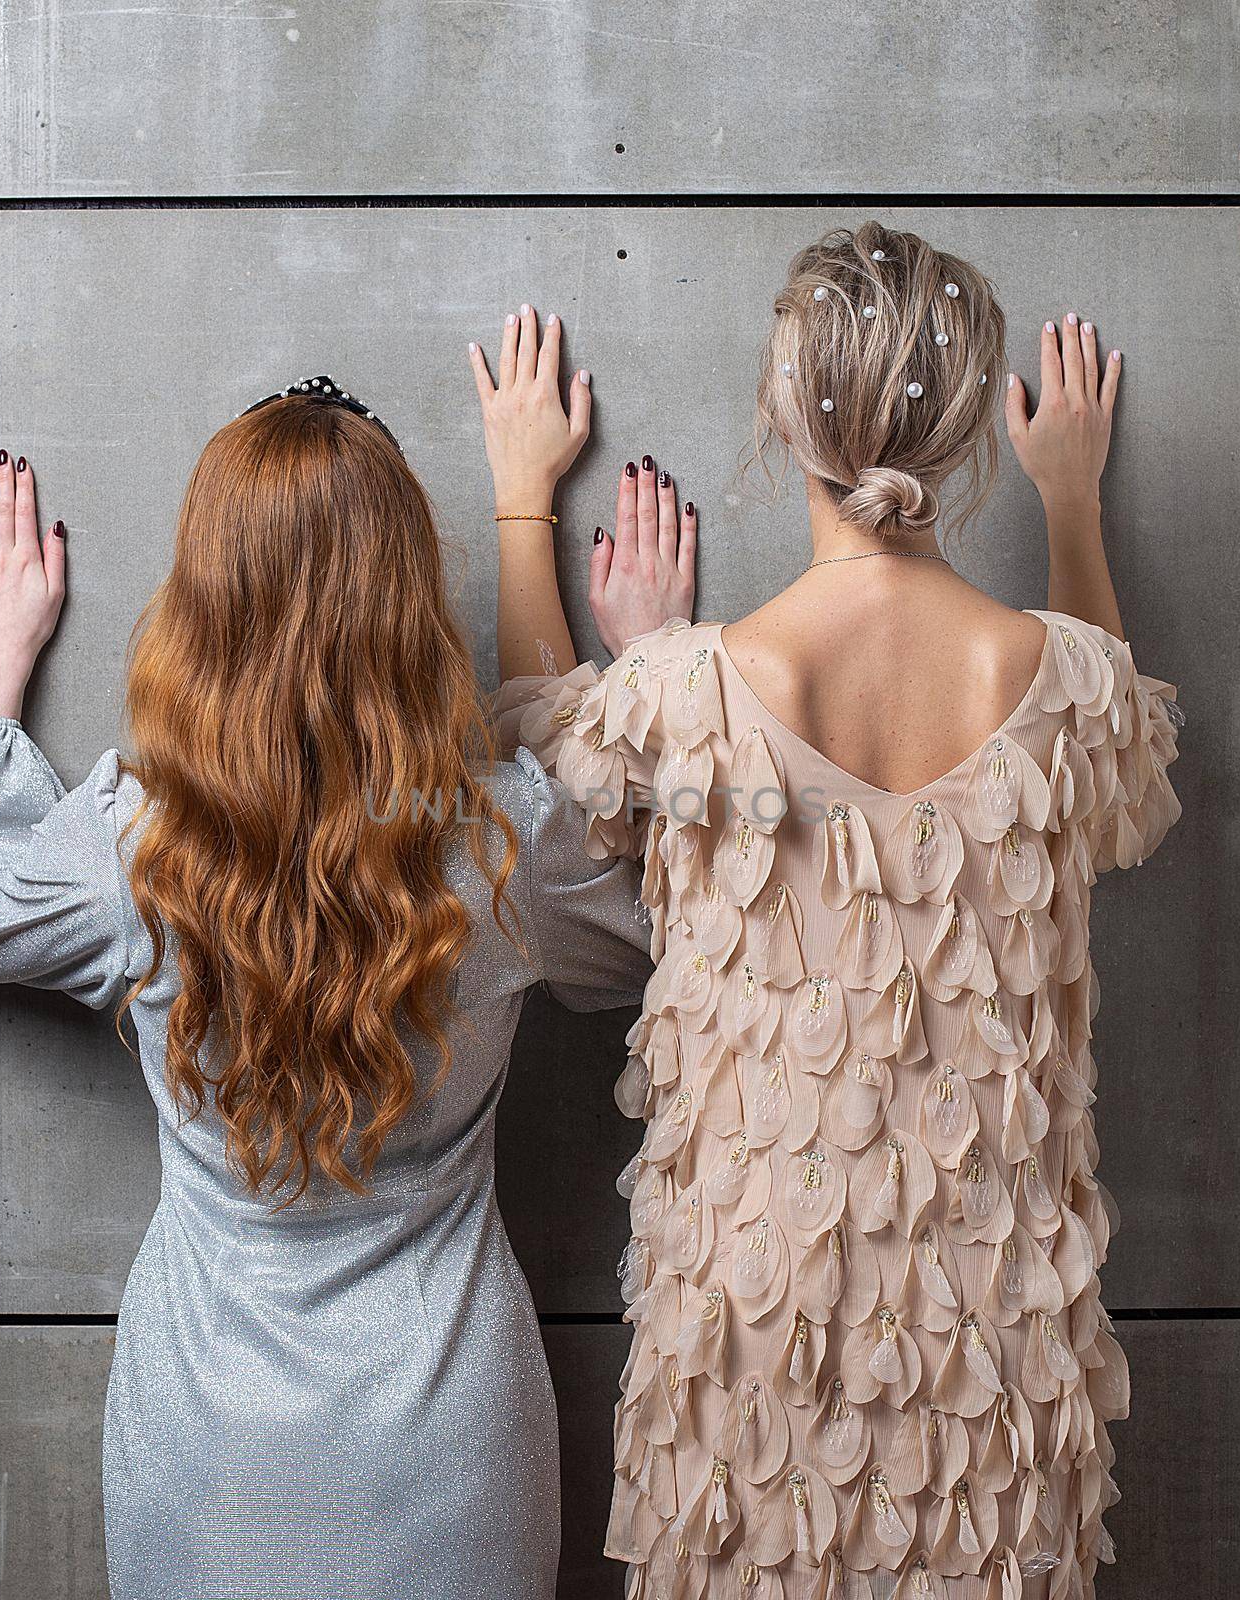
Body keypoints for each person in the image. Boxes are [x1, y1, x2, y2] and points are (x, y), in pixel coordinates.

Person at [473, 223, 1181, 1598]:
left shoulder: (687, 694)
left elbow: (547, 771)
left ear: (781, 416)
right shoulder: (1067, 687)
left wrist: (519, 502)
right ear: (972, 428)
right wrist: (1074, 507)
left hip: (752, 1345)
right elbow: (1113, 738)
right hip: (995, 1360)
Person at [0, 380, 670, 1600]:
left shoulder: (140, 849)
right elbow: (675, 929)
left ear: (203, 600)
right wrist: (638, 670)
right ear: (407, 601)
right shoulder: (500, 843)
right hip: (449, 1430)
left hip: (206, 1445)